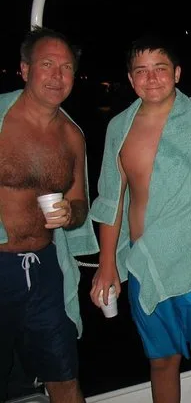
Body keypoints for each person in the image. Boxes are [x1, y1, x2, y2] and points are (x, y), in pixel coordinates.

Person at [89, 35, 191, 403]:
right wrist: (107, 263)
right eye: (141, 71)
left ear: (176, 73)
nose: (152, 78)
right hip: (145, 262)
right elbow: (112, 199)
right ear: (131, 79)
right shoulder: (119, 128)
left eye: (160, 68)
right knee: (161, 361)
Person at [0, 26, 99, 403]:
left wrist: (70, 213)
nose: (57, 76)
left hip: (44, 271)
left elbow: (80, 205)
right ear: (25, 69)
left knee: (65, 376)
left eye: (67, 67)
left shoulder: (72, 136)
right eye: (47, 65)